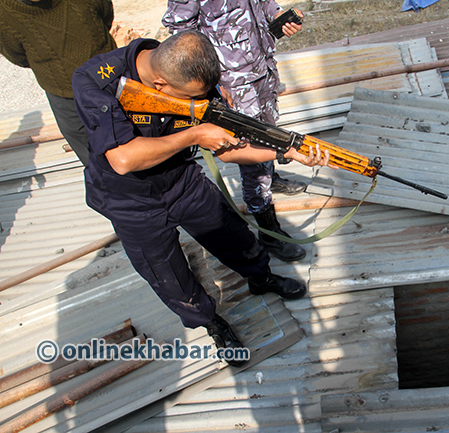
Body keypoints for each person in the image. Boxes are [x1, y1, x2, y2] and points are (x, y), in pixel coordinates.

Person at [71, 30, 330, 366]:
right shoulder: (96, 81)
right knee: (169, 274)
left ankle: (259, 278)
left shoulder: (194, 75)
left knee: (233, 235)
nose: (199, 100)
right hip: (129, 201)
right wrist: (194, 134)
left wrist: (288, 153)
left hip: (182, 181)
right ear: (160, 85)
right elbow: (123, 159)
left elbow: (229, 151)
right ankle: (211, 322)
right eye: (190, 97)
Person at [162, 0, 309, 263]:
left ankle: (269, 177)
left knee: (271, 136)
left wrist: (277, 16)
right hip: (230, 83)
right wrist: (211, 82)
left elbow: (263, 3)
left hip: (262, 70)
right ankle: (269, 232)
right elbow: (182, 35)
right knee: (249, 150)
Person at [0, 0, 117, 166]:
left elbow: (105, 12)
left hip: (112, 75)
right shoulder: (4, 13)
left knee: (142, 136)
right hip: (65, 96)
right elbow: (17, 55)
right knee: (96, 163)